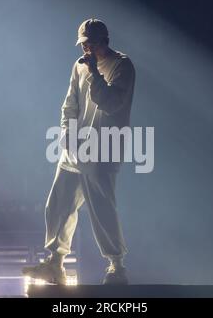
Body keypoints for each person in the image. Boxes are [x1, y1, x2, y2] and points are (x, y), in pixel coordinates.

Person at [22, 18, 135, 285]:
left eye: (90, 44)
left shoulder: (122, 66)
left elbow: (110, 103)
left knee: (101, 208)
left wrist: (95, 73)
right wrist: (67, 133)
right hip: (77, 147)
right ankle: (55, 263)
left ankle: (116, 266)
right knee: (58, 203)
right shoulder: (79, 65)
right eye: (83, 44)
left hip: (105, 146)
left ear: (104, 42)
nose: (86, 50)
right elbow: (70, 103)